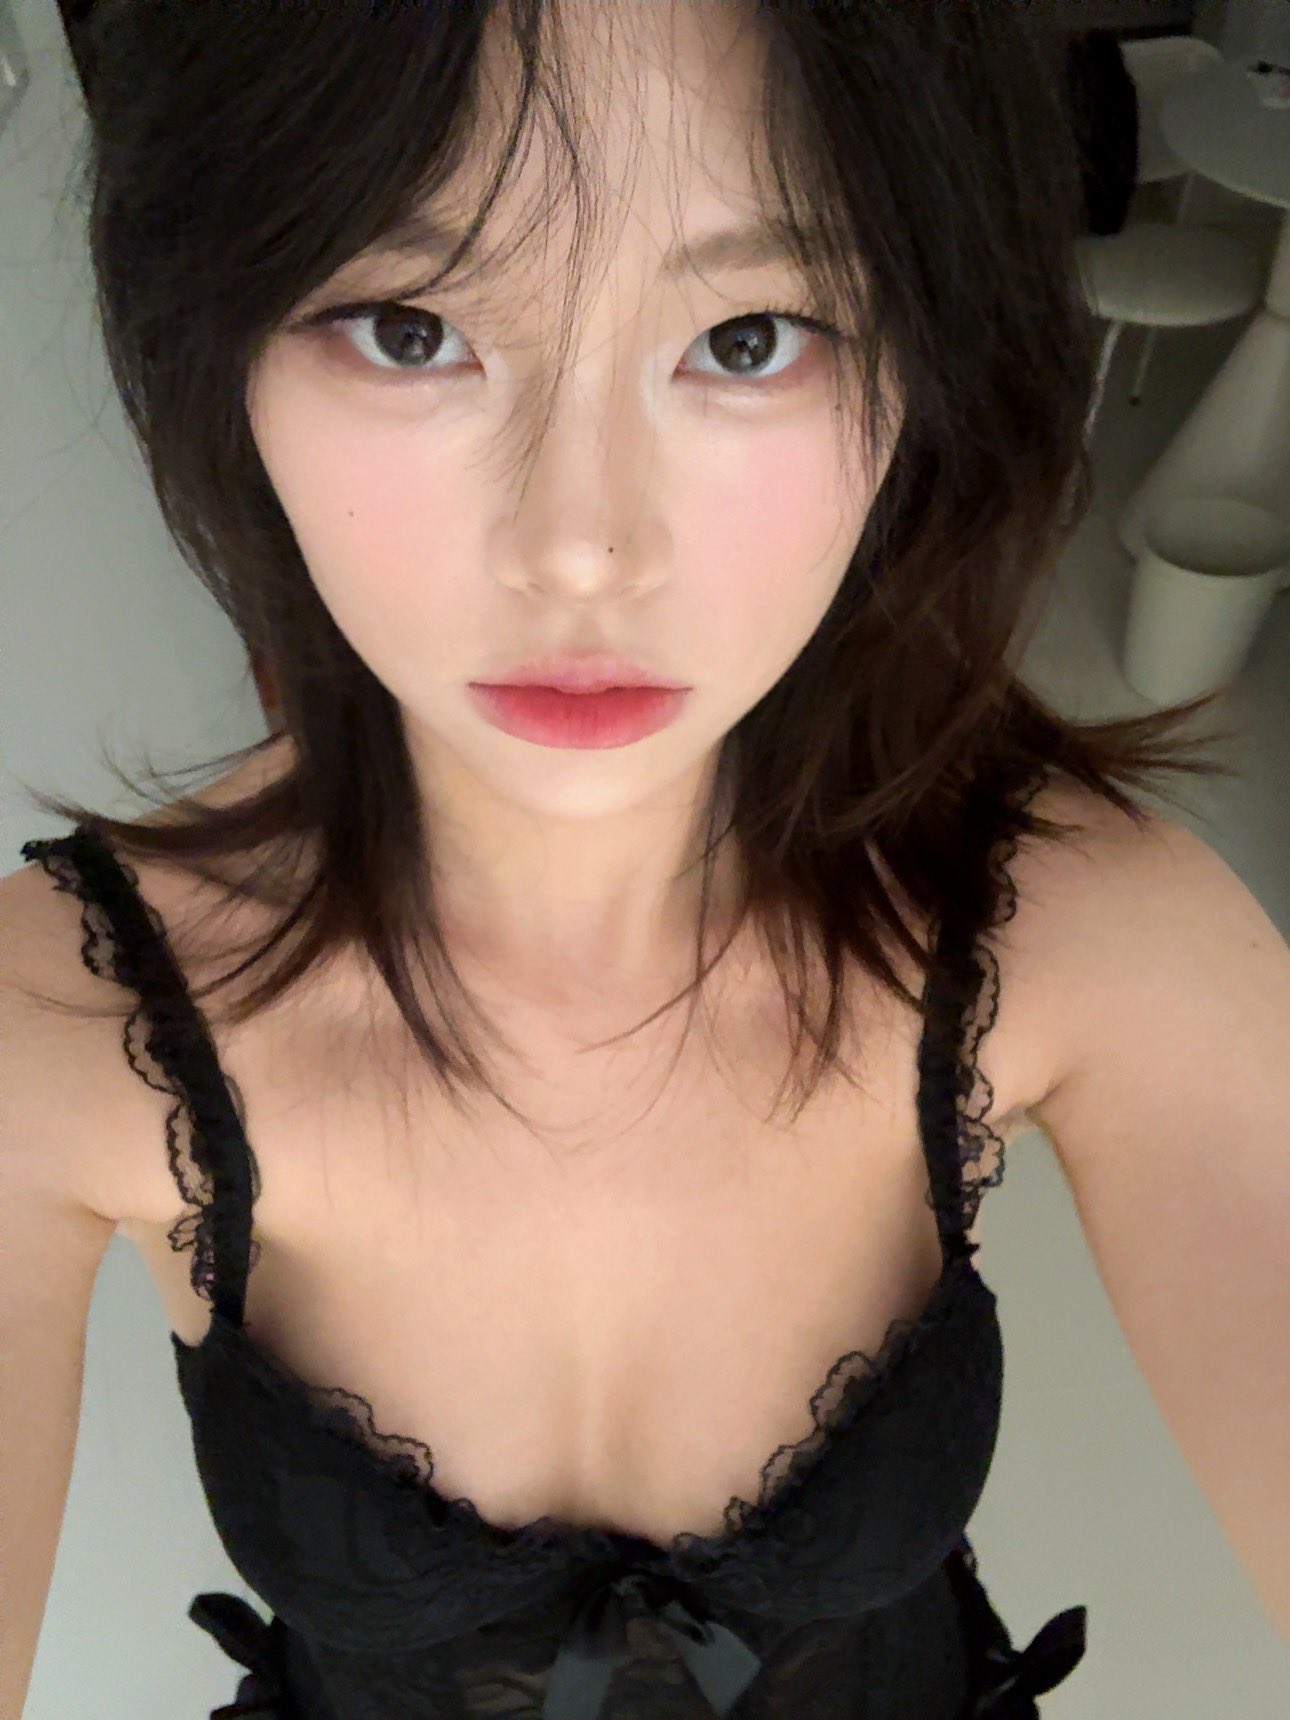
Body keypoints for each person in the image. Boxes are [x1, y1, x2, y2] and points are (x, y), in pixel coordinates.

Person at [4, 3, 1243, 1716]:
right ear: (219, 347)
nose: (579, 543)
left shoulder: (1087, 935)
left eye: (747, 337)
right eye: (413, 330)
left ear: (923, 365)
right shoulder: (54, 1032)